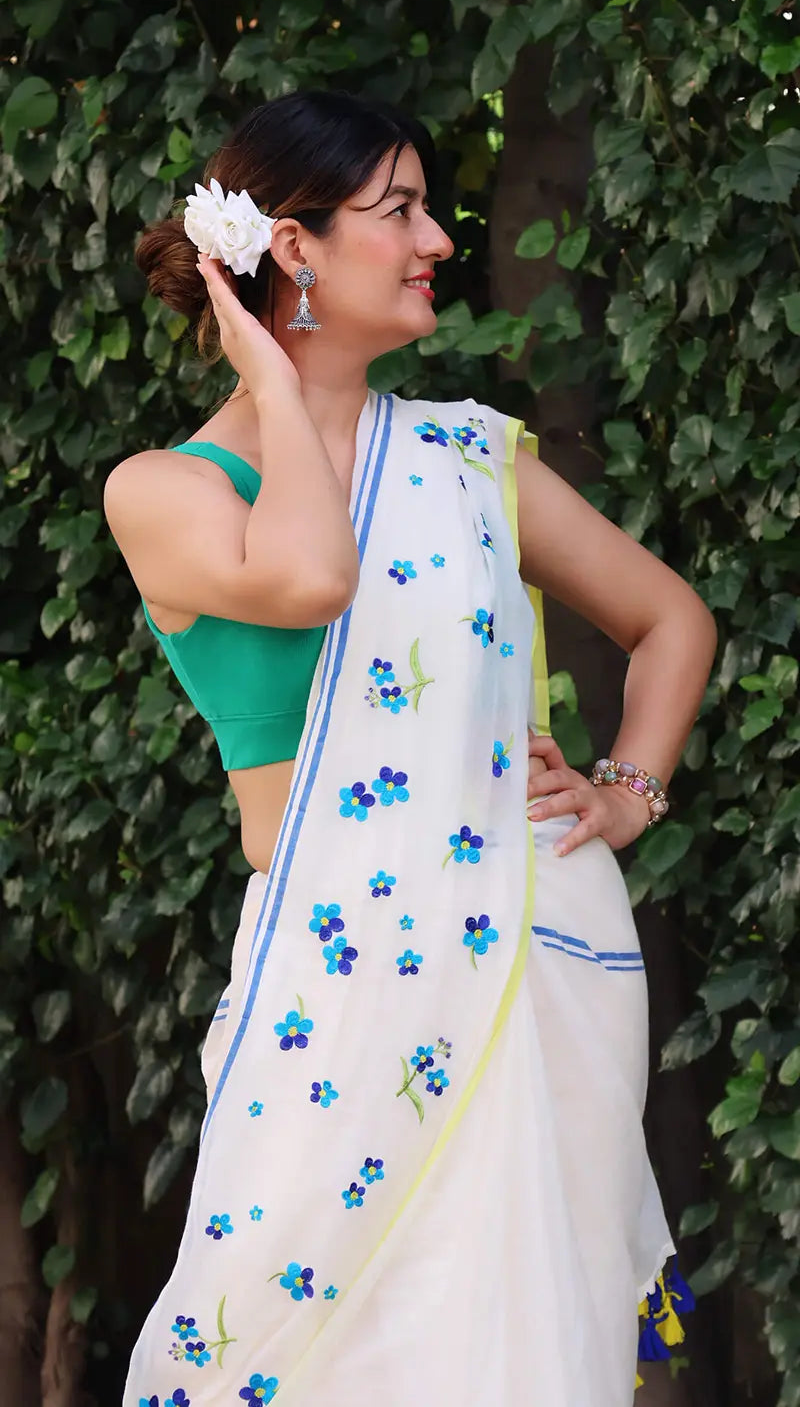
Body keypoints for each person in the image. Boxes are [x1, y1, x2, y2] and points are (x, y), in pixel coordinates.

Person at [104, 88, 716, 1407]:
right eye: (399, 212)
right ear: (296, 249)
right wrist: (274, 377)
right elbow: (318, 576)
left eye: (432, 208)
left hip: (515, 974)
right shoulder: (170, 491)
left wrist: (628, 791)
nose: (439, 237)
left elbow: (671, 619)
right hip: (334, 1003)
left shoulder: (467, 459)